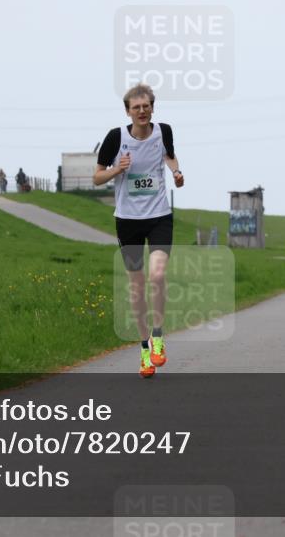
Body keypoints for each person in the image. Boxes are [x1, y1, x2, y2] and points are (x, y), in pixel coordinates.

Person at [94, 83, 183, 378]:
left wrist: (176, 172)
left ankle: (158, 337)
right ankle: (144, 349)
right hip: (128, 220)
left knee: (157, 275)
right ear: (128, 111)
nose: (142, 111)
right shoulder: (115, 138)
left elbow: (169, 155)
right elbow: (96, 177)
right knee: (137, 286)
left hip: (159, 216)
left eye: (146, 106)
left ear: (152, 108)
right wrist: (117, 170)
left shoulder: (164, 130)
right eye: (136, 107)